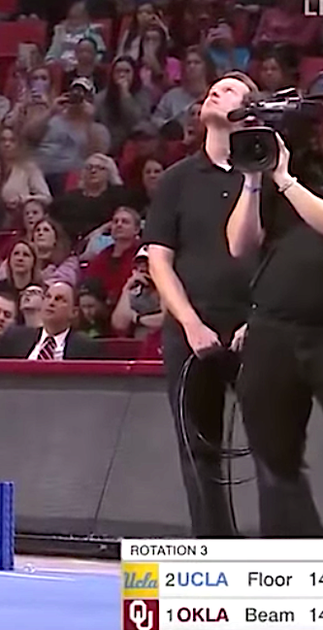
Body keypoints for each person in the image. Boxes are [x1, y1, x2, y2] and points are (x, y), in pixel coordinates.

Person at [145, 72, 259, 538]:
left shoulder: (265, 177)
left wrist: (260, 319)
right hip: (191, 331)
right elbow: (159, 259)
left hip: (256, 329)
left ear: (248, 113)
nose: (216, 90)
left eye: (230, 89)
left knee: (275, 446)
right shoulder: (177, 179)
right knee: (198, 451)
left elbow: (280, 255)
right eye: (215, 87)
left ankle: (281, 550)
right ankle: (215, 547)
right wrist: (190, 323)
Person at [225, 92, 323, 537]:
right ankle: (297, 559)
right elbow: (239, 245)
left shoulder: (288, 180)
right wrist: (252, 180)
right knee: (274, 454)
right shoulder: (276, 171)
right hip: (273, 327)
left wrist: (285, 181)